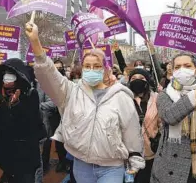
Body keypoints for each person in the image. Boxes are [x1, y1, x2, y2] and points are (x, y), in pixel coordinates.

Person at [25, 22, 145, 183]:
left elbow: (131, 132)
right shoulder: (71, 92)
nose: (91, 69)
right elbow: (49, 75)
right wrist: (35, 43)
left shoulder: (121, 96)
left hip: (112, 167)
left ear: (106, 69)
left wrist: (135, 159)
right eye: (87, 66)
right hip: (81, 165)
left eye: (97, 66)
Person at [151, 54, 196, 183]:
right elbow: (170, 116)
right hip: (170, 164)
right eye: (177, 67)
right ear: (172, 71)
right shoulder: (165, 95)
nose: (182, 70)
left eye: (187, 66)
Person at [0, 58, 44, 183]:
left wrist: (16, 106)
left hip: (26, 155)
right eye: (4, 75)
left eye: (10, 75)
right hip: (7, 154)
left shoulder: (30, 94)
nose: (7, 79)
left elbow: (30, 123)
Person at [127, 69, 161, 183]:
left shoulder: (157, 98)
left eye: (141, 78)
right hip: (129, 154)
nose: (137, 81)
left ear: (147, 81)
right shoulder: (124, 99)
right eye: (133, 78)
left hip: (151, 153)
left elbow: (163, 123)